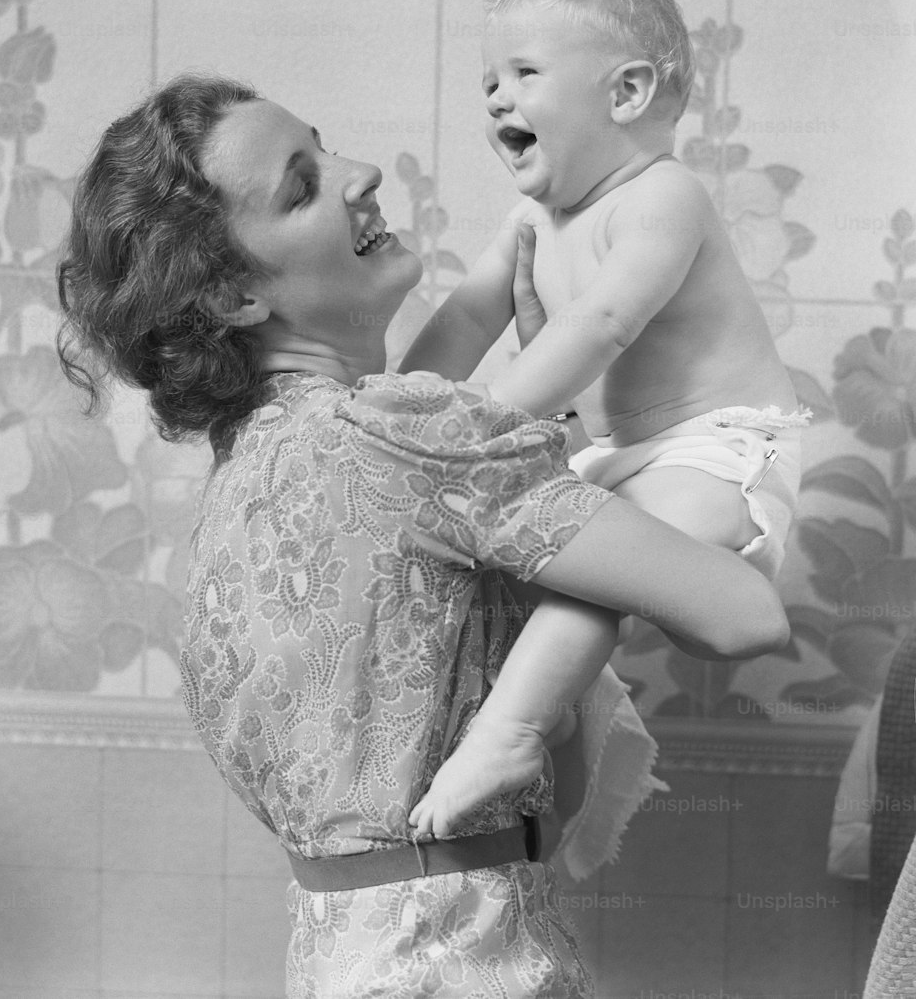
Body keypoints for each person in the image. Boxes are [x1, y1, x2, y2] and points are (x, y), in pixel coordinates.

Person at [57, 74, 789, 999]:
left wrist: (528, 439)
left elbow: (522, 796)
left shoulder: (235, 495)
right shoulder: (404, 437)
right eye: (303, 184)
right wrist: (660, 453)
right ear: (236, 294)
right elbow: (744, 614)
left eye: (326, 146)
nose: (359, 172)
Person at [404, 0, 806, 839]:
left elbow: (603, 324)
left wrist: (478, 424)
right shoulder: (533, 221)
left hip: (721, 449)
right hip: (623, 451)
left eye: (524, 75)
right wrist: (401, 411)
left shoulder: (664, 197)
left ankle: (509, 732)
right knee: (534, 565)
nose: (497, 100)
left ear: (626, 92)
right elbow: (468, 313)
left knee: (601, 562)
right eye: (488, 83)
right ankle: (548, 732)